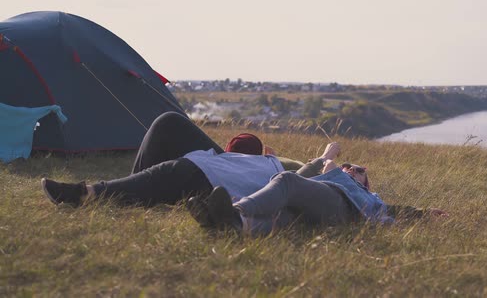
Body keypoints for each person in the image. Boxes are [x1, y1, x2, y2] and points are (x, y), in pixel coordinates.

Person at [41, 112, 331, 210]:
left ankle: (86, 194)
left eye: (358, 172)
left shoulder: (303, 173)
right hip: (232, 162)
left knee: (180, 170)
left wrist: (325, 159)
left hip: (228, 175)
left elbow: (298, 183)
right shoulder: (273, 159)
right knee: (169, 122)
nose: (356, 170)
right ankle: (134, 187)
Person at [189, 143, 448, 235]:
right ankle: (229, 226)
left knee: (286, 182)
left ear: (365, 183)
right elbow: (307, 173)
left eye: (357, 169)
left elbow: (401, 210)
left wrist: (425, 212)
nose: (349, 169)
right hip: (322, 210)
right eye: (348, 167)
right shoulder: (326, 180)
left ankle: (234, 210)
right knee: (285, 220)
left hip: (341, 206)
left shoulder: (370, 198)